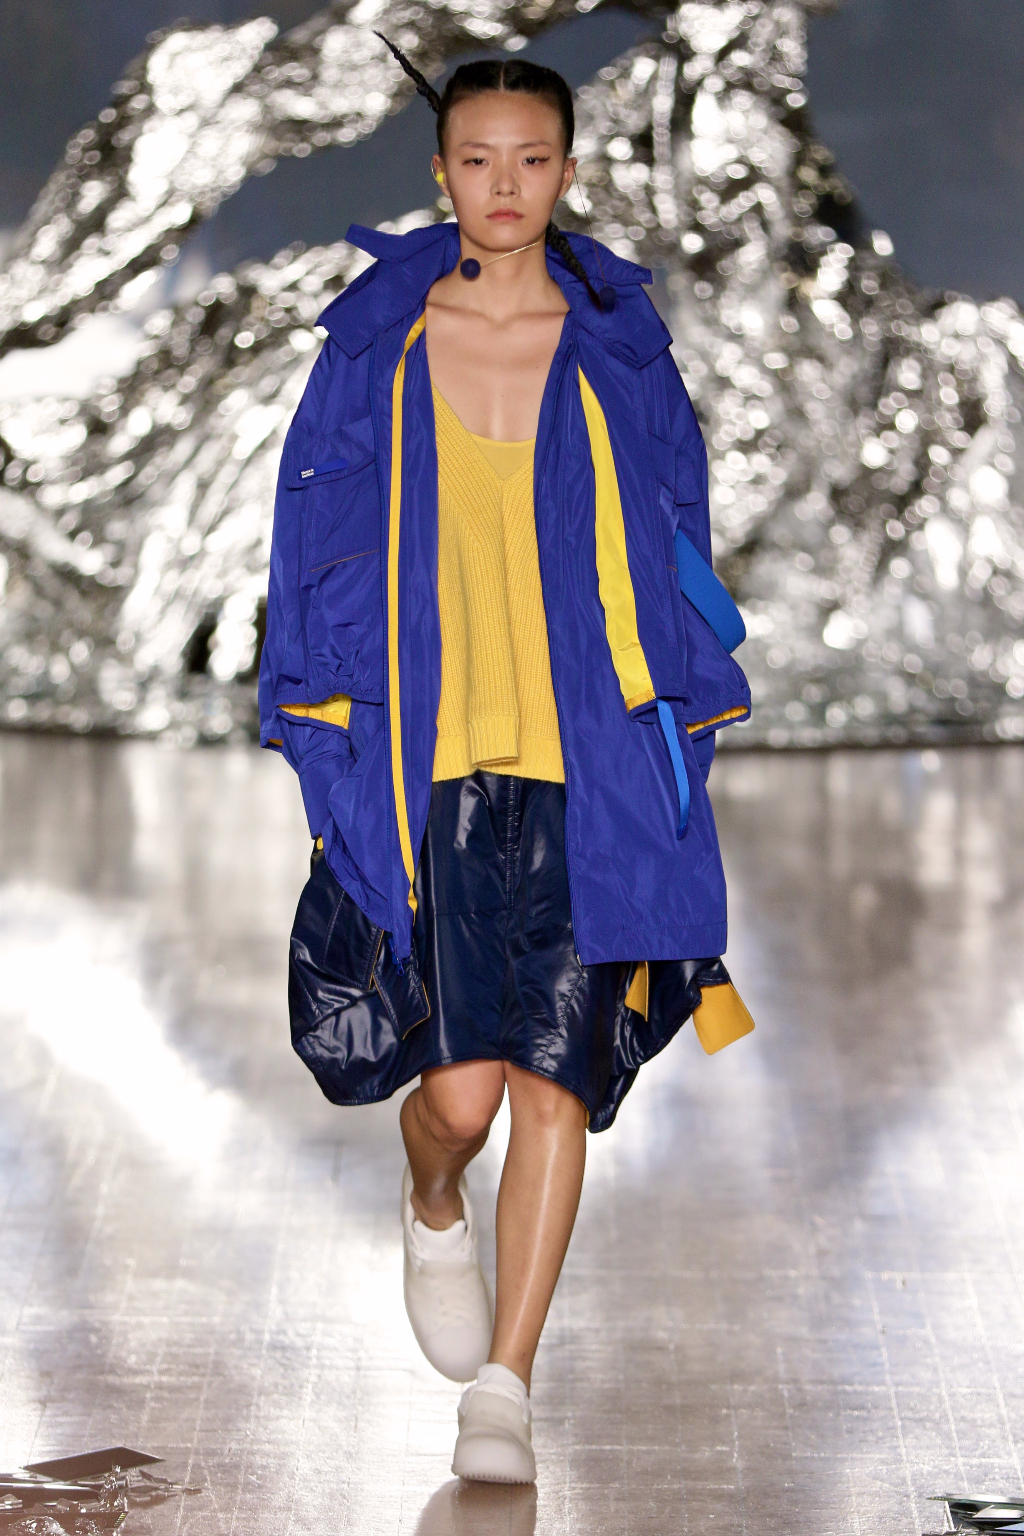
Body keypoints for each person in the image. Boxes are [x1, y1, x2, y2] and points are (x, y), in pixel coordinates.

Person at [259, 45, 754, 1486]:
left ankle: (507, 1391)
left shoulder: (619, 347)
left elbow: (677, 538)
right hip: (432, 763)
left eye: (532, 160)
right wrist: (323, 720)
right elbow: (311, 546)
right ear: (440, 172)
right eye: (477, 159)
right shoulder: (379, 345)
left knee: (556, 1084)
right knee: (462, 1100)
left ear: (567, 173)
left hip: (589, 758)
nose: (504, 186)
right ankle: (431, 1198)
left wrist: (684, 712)